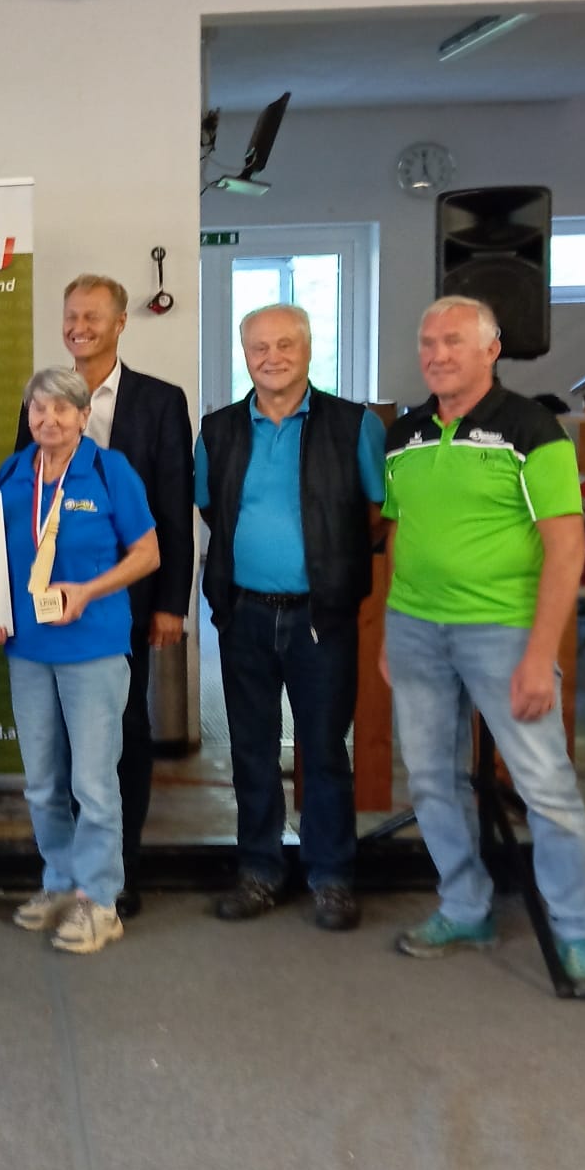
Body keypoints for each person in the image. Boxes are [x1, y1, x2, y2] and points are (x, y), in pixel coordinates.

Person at [381, 296, 585, 999]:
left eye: (453, 340)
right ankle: (465, 908)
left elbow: (566, 547)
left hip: (504, 631)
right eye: (428, 342)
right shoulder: (404, 435)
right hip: (416, 630)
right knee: (431, 780)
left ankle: (578, 932)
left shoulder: (532, 430)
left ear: (491, 349)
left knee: (546, 786)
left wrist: (540, 653)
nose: (437, 354)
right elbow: (401, 532)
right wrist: (393, 627)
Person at [195, 303, 384, 931]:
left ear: (307, 349)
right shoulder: (217, 430)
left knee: (324, 749)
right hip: (244, 614)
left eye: (284, 344)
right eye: (258, 347)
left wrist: (329, 569)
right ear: (244, 355)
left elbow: (377, 514)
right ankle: (259, 870)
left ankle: (331, 877)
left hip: (320, 618)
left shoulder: (353, 425)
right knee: (250, 750)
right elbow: (211, 509)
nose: (271, 357)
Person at [17, 274, 193, 917]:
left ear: (121, 323)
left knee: (122, 737)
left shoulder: (160, 401)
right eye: (71, 315)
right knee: (58, 754)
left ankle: (120, 874)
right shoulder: (41, 398)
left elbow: (172, 508)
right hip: (45, 614)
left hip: (125, 601)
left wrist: (172, 602)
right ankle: (70, 878)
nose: (79, 326)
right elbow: (22, 505)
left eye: (93, 316)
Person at [0, 368, 160, 956]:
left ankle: (100, 900)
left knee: (92, 782)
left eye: (62, 409)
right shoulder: (13, 473)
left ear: (84, 416)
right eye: (39, 409)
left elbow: (148, 554)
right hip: (28, 651)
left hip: (94, 650)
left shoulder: (111, 472)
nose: (49, 420)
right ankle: (60, 882)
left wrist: (89, 591)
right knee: (42, 783)